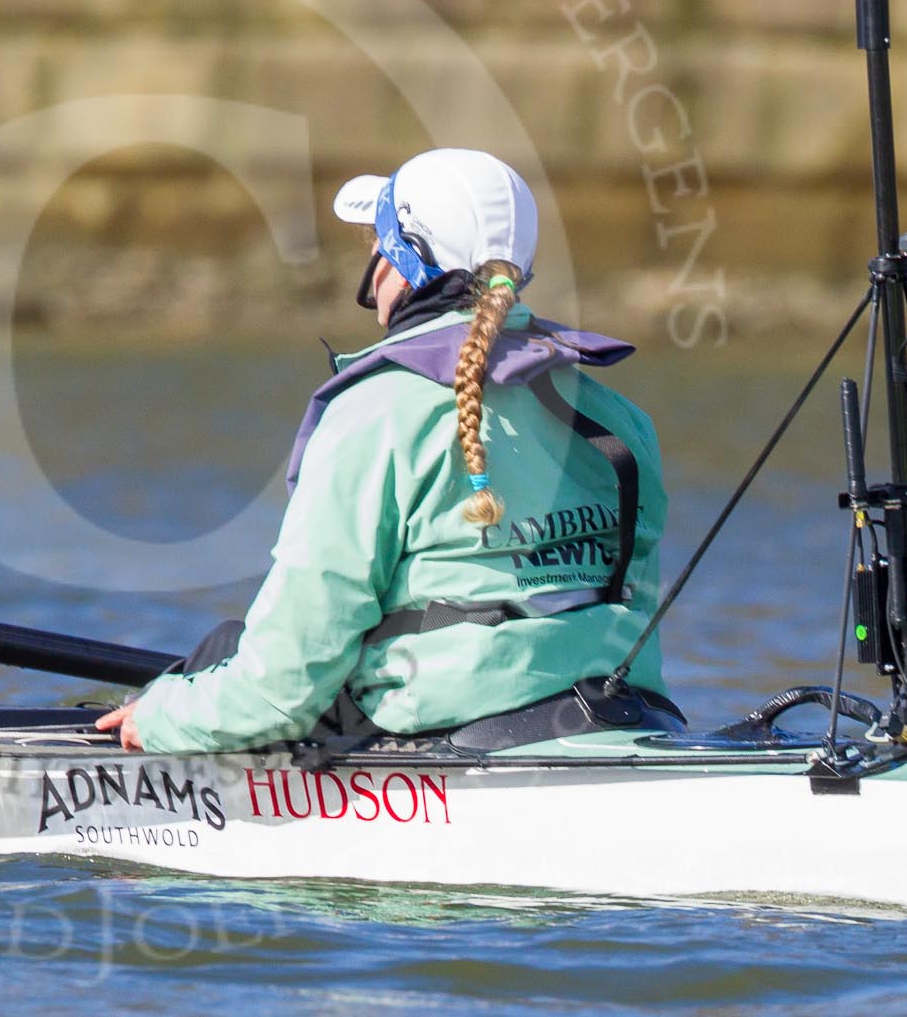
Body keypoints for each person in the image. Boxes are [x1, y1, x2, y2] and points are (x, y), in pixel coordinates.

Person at [98, 148, 674, 753]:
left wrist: (162, 717)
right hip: (627, 720)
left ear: (401, 262)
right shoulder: (618, 418)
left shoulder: (375, 415)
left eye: (376, 242)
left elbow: (279, 695)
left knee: (224, 651)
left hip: (454, 735)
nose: (370, 262)